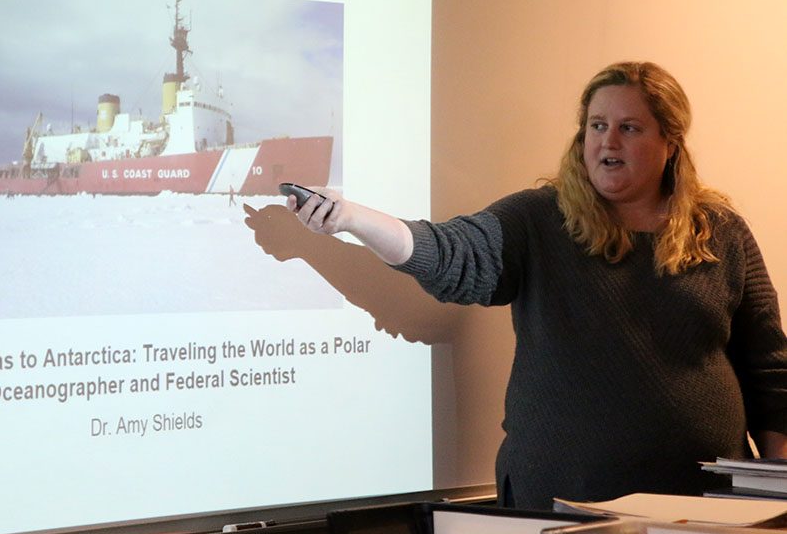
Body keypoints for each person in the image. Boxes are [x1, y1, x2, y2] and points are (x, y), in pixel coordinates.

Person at [287, 62, 787, 510]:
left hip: (704, 507)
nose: (607, 142)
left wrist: (776, 485)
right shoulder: (540, 218)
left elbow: (770, 370)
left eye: (629, 128)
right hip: (560, 502)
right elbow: (449, 253)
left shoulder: (719, 229)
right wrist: (353, 218)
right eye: (597, 126)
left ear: (670, 142)